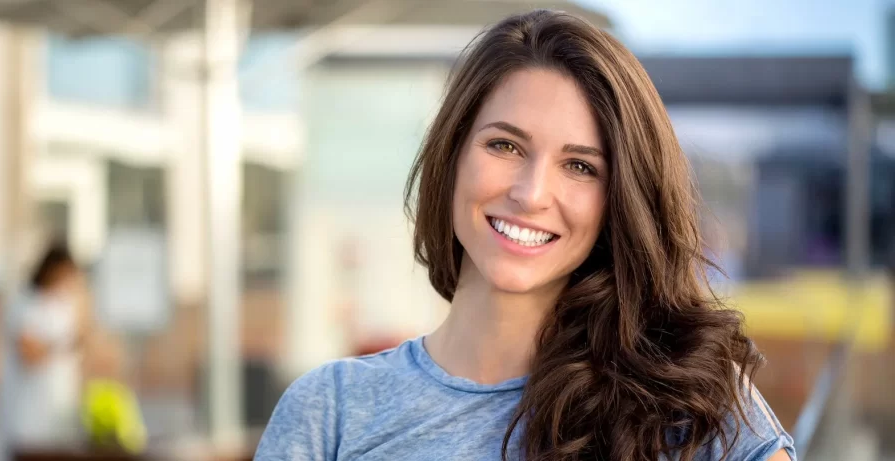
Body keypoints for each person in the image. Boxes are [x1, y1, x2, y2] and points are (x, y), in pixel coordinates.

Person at [255, 10, 795, 461]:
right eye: (505, 146)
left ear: (619, 201)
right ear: (453, 154)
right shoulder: (330, 412)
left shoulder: (687, 400)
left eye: (581, 167)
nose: (532, 193)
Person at [3, 242, 89, 451]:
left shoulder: (64, 302)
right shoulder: (25, 301)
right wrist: (59, 346)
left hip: (60, 403)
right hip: (29, 406)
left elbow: (78, 342)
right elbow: (29, 354)